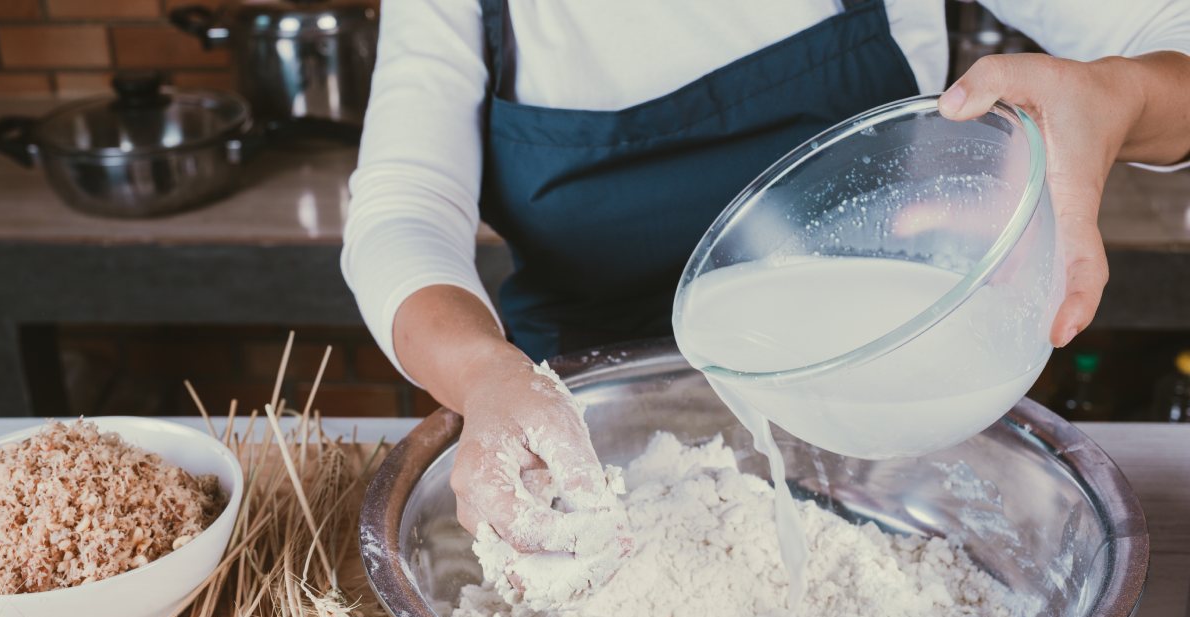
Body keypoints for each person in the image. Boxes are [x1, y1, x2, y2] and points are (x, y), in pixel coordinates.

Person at [342, 1, 1190, 550]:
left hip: (881, 429)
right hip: (589, 454)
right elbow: (402, 208)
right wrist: (482, 372)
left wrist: (1120, 99)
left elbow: (1168, 33)